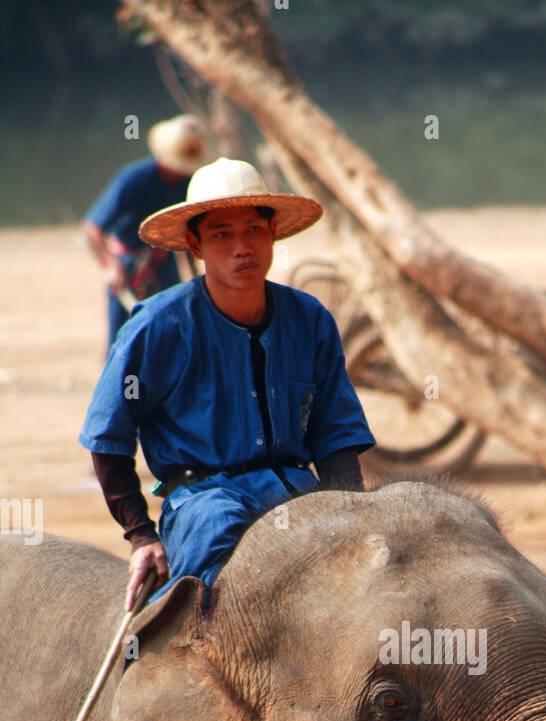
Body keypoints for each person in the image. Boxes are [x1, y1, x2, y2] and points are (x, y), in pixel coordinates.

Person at [79, 157, 376, 611]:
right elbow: (107, 437)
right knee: (218, 611)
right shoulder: (158, 326)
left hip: (297, 491)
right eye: (222, 235)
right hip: (204, 503)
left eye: (254, 230)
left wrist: (352, 519)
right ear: (195, 244)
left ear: (273, 232)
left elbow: (336, 436)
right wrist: (141, 536)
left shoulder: (310, 319)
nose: (243, 248)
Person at [81, 114, 207, 352]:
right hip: (127, 268)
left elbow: (189, 235)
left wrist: (196, 279)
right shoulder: (133, 178)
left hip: (165, 263)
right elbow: (92, 228)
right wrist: (111, 266)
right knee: (122, 340)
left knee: (172, 331)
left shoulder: (188, 183)